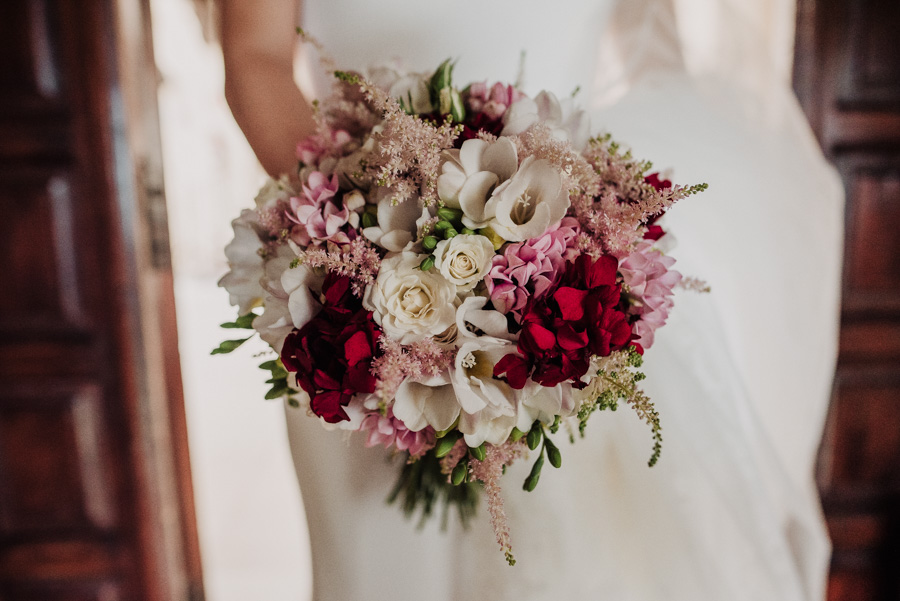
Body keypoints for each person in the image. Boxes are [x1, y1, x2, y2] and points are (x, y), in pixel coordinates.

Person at [221, 0, 844, 599]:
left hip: (564, 283)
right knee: (383, 566)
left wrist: (580, 230)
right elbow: (255, 57)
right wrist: (363, 221)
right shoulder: (352, 257)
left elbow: (656, 56)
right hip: (356, 293)